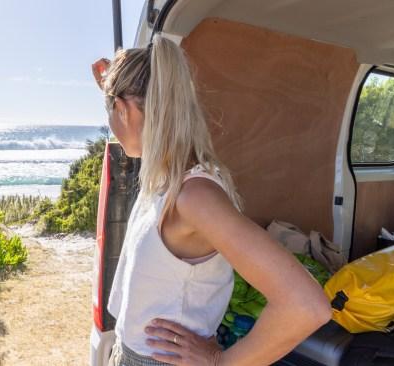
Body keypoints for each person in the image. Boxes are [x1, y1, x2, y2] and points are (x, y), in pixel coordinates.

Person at [91, 34, 332, 366]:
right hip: (131, 351)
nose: (111, 126)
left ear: (124, 109)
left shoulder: (194, 197)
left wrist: (221, 362)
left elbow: (306, 305)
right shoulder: (165, 177)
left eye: (111, 112)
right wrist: (110, 84)